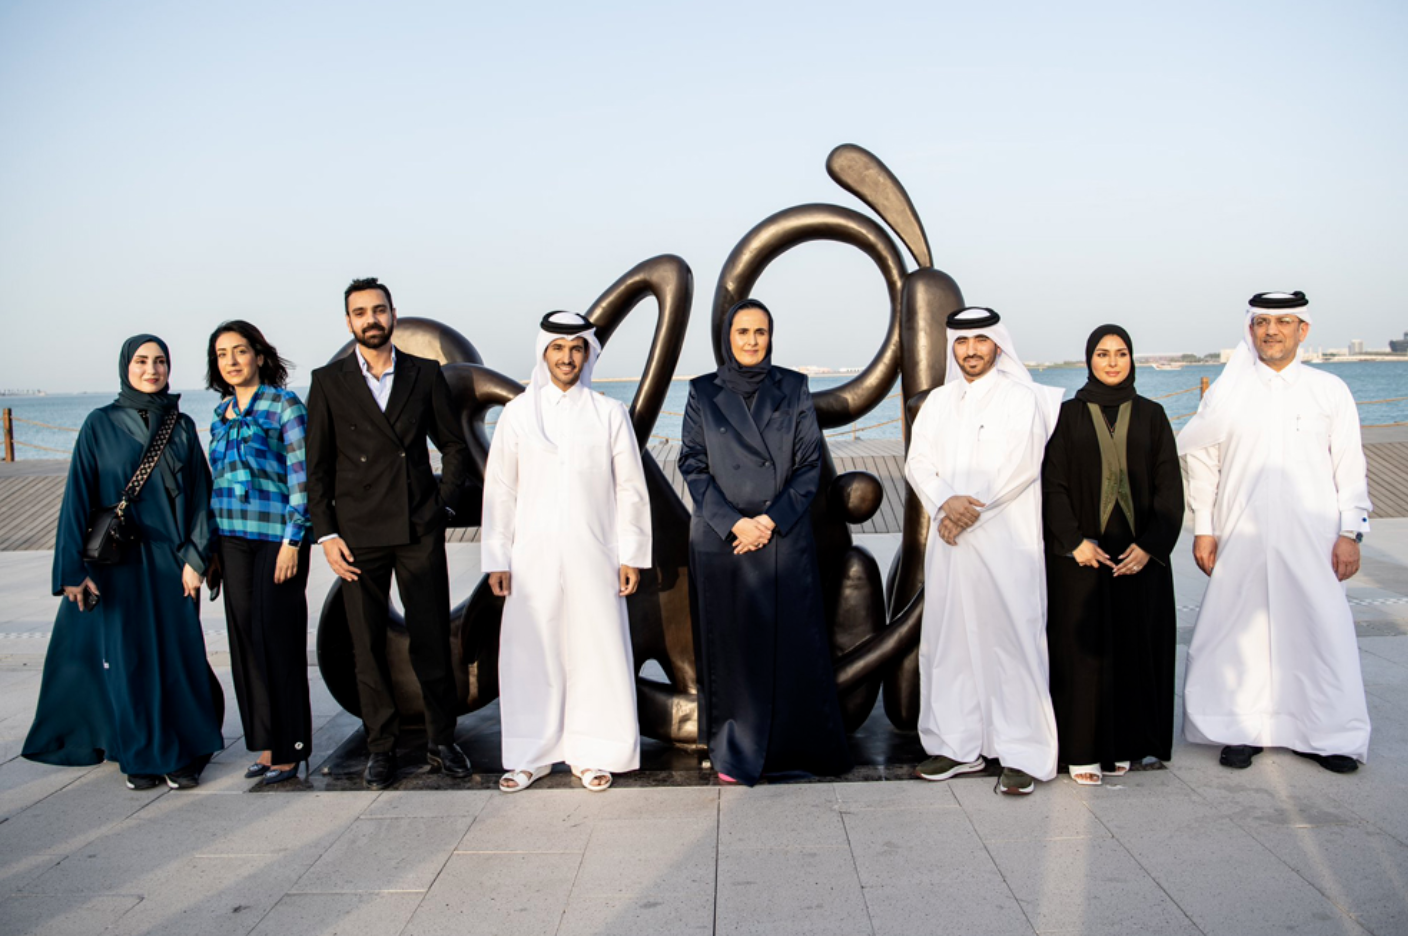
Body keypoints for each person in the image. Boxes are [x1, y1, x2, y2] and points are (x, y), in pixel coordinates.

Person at [1178, 291, 1372, 773]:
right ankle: (1239, 730)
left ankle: (1326, 734)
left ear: (1302, 331)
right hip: (1241, 535)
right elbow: (1205, 464)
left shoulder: (1330, 391)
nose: (1271, 331)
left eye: (1283, 322)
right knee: (1239, 635)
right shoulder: (1226, 392)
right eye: (1262, 322)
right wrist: (1205, 528)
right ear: (1250, 330)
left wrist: (1351, 532)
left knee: (1318, 631)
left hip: (1314, 537)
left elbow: (1350, 466)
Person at [23, 335, 225, 790]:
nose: (151, 369)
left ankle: (184, 753)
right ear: (125, 366)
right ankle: (140, 755)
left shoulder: (182, 426)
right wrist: (72, 572)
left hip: (173, 562)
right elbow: (77, 498)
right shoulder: (99, 425)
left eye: (160, 361)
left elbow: (201, 497)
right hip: (118, 565)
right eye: (141, 361)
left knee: (180, 656)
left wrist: (197, 557)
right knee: (128, 661)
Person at [305, 277, 473, 790]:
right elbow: (316, 469)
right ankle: (380, 747)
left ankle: (442, 740)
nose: (371, 320)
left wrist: (440, 504)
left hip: (416, 526)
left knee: (430, 639)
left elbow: (454, 445)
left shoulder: (424, 373)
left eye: (379, 310)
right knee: (366, 643)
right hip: (357, 535)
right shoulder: (328, 381)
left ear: (393, 314)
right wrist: (327, 534)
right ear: (349, 321)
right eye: (361, 312)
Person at [680, 298, 852, 787]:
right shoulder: (702, 391)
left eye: (760, 332)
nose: (752, 341)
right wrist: (735, 523)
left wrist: (769, 522)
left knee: (792, 646)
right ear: (728, 338)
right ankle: (735, 749)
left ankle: (794, 748)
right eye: (743, 333)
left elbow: (808, 465)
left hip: (782, 536)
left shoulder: (793, 386)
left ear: (770, 337)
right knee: (731, 648)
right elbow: (692, 462)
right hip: (722, 539)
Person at [481, 312, 652, 793]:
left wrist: (631, 553)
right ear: (543, 353)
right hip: (529, 558)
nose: (567, 357)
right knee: (530, 652)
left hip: (595, 552)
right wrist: (497, 556)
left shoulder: (608, 413)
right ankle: (529, 755)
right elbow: (500, 491)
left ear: (588, 355)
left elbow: (631, 490)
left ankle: (595, 752)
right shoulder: (516, 414)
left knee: (595, 650)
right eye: (558, 348)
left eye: (576, 348)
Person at [904, 307, 1063, 795]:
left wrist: (965, 512)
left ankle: (1023, 753)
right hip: (951, 548)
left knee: (1011, 642)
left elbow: (1019, 468)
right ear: (952, 347)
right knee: (949, 643)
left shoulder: (1022, 399)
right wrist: (943, 504)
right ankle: (956, 746)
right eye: (962, 342)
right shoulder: (937, 402)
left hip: (1004, 544)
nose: (971, 350)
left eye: (981, 340)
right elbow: (917, 461)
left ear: (998, 344)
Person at [1041, 325, 1184, 785]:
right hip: (1082, 556)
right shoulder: (1065, 417)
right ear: (1089, 360)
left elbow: (1170, 491)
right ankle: (1082, 750)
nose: (1112, 362)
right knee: (1081, 652)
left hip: (1137, 558)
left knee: (1132, 648)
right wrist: (1074, 542)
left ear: (1132, 359)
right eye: (1102, 354)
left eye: (1121, 353)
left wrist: (1151, 547)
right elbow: (1053, 486)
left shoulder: (1154, 416)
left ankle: (1126, 743)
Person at [207, 321, 314, 785]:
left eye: (240, 351)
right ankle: (266, 744)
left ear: (259, 355)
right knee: (246, 642)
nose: (231, 361)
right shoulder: (220, 413)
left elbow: (302, 477)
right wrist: (211, 549)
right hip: (232, 538)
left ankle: (291, 748)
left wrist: (294, 540)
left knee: (278, 638)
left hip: (277, 538)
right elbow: (216, 480)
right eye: (222, 354)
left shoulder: (284, 405)